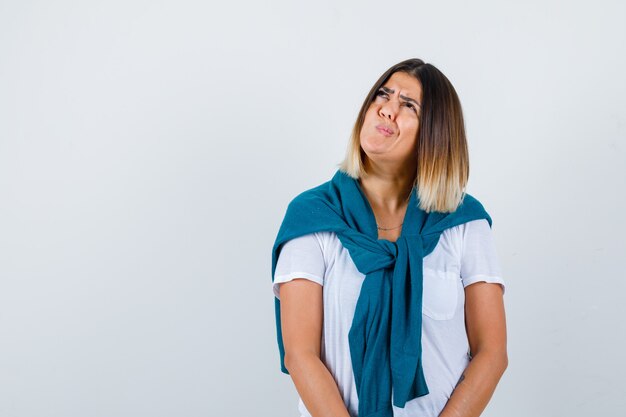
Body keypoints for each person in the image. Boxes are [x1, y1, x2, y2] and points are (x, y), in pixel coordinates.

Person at [271, 58, 507, 417]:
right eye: (383, 95)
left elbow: (491, 353)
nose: (387, 109)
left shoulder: (464, 223)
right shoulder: (313, 216)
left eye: (407, 104)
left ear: (435, 132)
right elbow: (301, 354)